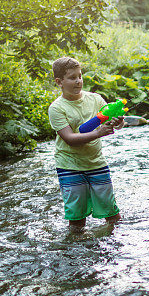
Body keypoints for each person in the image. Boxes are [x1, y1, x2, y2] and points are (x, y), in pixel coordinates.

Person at [48, 57, 123, 232]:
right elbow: (69, 138)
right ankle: (77, 251)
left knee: (112, 214)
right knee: (77, 218)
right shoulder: (56, 108)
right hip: (69, 166)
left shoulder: (95, 99)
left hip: (96, 163)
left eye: (80, 76)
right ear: (59, 82)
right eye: (72, 77)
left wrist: (119, 121)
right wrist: (98, 133)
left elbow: (115, 123)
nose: (78, 81)